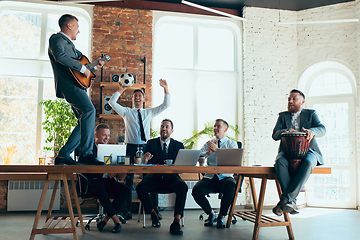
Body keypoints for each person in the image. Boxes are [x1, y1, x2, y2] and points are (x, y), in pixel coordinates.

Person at [49, 14, 105, 166]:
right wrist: (82, 68)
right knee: (90, 111)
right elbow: (60, 56)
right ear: (69, 26)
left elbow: (80, 66)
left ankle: (64, 155)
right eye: (77, 27)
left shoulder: (69, 45)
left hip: (74, 85)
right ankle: (86, 154)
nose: (78, 31)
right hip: (69, 86)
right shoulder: (57, 39)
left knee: (84, 121)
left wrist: (93, 66)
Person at [109, 79, 170, 217]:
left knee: (149, 179)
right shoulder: (126, 112)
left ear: (143, 99)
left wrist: (165, 88)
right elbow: (111, 103)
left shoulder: (149, 112)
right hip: (130, 148)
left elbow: (166, 104)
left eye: (139, 96)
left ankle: (153, 210)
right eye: (135, 96)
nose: (137, 98)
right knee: (128, 180)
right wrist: (121, 89)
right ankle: (127, 211)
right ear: (132, 99)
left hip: (146, 148)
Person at [272, 89, 326, 216]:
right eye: (289, 99)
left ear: (302, 101)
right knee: (279, 162)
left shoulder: (311, 114)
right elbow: (275, 135)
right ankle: (292, 201)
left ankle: (285, 200)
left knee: (308, 163)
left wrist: (312, 131)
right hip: (287, 151)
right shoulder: (283, 116)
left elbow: (322, 129)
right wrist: (285, 131)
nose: (290, 101)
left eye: (293, 99)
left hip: (309, 150)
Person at [136, 119, 188, 235]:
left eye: (167, 127)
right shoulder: (151, 143)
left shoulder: (179, 146)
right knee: (140, 187)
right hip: (155, 178)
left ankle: (176, 220)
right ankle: (153, 213)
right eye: (162, 126)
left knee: (183, 187)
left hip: (172, 179)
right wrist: (145, 159)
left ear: (172, 130)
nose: (164, 129)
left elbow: (183, 166)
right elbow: (143, 164)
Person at [79, 123, 131, 233]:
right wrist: (106, 173)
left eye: (108, 135)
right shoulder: (88, 150)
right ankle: (117, 221)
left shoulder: (111, 148)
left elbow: (112, 166)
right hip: (91, 182)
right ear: (96, 135)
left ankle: (105, 219)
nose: (106, 138)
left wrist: (119, 174)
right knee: (100, 188)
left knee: (125, 189)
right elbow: (86, 171)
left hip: (106, 181)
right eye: (104, 135)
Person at [191, 119, 238, 229]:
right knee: (196, 190)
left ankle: (222, 215)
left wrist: (218, 150)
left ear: (225, 129)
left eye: (218, 126)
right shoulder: (209, 144)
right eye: (214, 126)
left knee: (231, 185)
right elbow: (198, 157)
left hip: (225, 177)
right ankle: (211, 213)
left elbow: (232, 160)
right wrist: (208, 153)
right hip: (210, 177)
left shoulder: (232, 144)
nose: (215, 128)